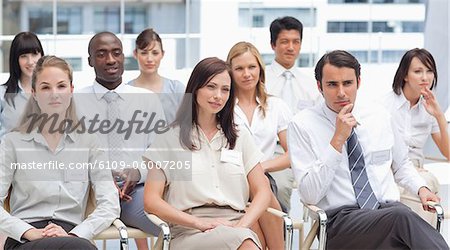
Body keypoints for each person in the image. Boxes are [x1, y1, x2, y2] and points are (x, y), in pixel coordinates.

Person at [287, 50, 448, 249]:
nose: (341, 93)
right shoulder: (302, 125)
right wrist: (338, 139)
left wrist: (421, 189)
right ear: (319, 86)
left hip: (386, 213)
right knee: (401, 218)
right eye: (332, 84)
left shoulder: (379, 115)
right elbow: (309, 194)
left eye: (347, 83)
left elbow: (401, 165)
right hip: (342, 221)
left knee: (400, 235)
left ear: (358, 82)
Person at [143, 57, 272, 249]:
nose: (218, 95)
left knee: (246, 241)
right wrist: (198, 223)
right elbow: (151, 201)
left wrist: (241, 226)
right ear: (195, 88)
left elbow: (263, 191)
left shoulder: (240, 136)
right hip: (188, 231)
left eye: (225, 89)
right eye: (211, 87)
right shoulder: (169, 138)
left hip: (236, 226)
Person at [0, 55, 120, 249]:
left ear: (71, 90)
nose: (54, 94)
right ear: (34, 93)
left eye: (61, 86)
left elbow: (110, 204)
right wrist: (29, 232)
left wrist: (76, 233)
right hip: (25, 240)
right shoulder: (12, 142)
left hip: (72, 235)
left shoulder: (89, 142)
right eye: (45, 87)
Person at [75, 31, 165, 250]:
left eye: (116, 53)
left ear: (124, 57)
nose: (111, 60)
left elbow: (162, 152)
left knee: (171, 228)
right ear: (90, 61)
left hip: (135, 193)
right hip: (89, 195)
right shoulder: (74, 102)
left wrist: (137, 172)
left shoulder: (147, 100)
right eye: (102, 54)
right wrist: (103, 179)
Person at [227, 41, 291, 249]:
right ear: (230, 72)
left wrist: (260, 167)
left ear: (260, 70)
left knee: (259, 186)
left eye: (251, 67)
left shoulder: (276, 106)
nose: (246, 74)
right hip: (230, 180)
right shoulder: (222, 108)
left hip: (262, 177)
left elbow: (292, 155)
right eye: (239, 68)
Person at [383, 48, 449, 225]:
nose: (425, 77)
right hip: (390, 171)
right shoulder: (385, 106)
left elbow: (448, 154)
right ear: (405, 75)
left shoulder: (430, 107)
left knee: (426, 182)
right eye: (418, 71)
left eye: (429, 71)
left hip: (419, 171)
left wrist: (439, 116)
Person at [265, 16, 322, 212]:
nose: (290, 47)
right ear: (273, 44)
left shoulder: (311, 84)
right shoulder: (259, 80)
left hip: (306, 151)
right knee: (278, 187)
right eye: (284, 41)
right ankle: (279, 237)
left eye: (295, 42)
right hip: (273, 149)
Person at [128, 28, 185, 124]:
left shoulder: (176, 89)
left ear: (162, 54)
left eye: (155, 53)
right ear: (135, 54)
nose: (149, 59)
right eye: (144, 53)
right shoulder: (126, 91)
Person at [0, 31, 44, 141]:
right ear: (16, 59)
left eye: (34, 54)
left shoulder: (53, 94)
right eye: (24, 56)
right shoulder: (2, 94)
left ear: (41, 56)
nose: (30, 62)